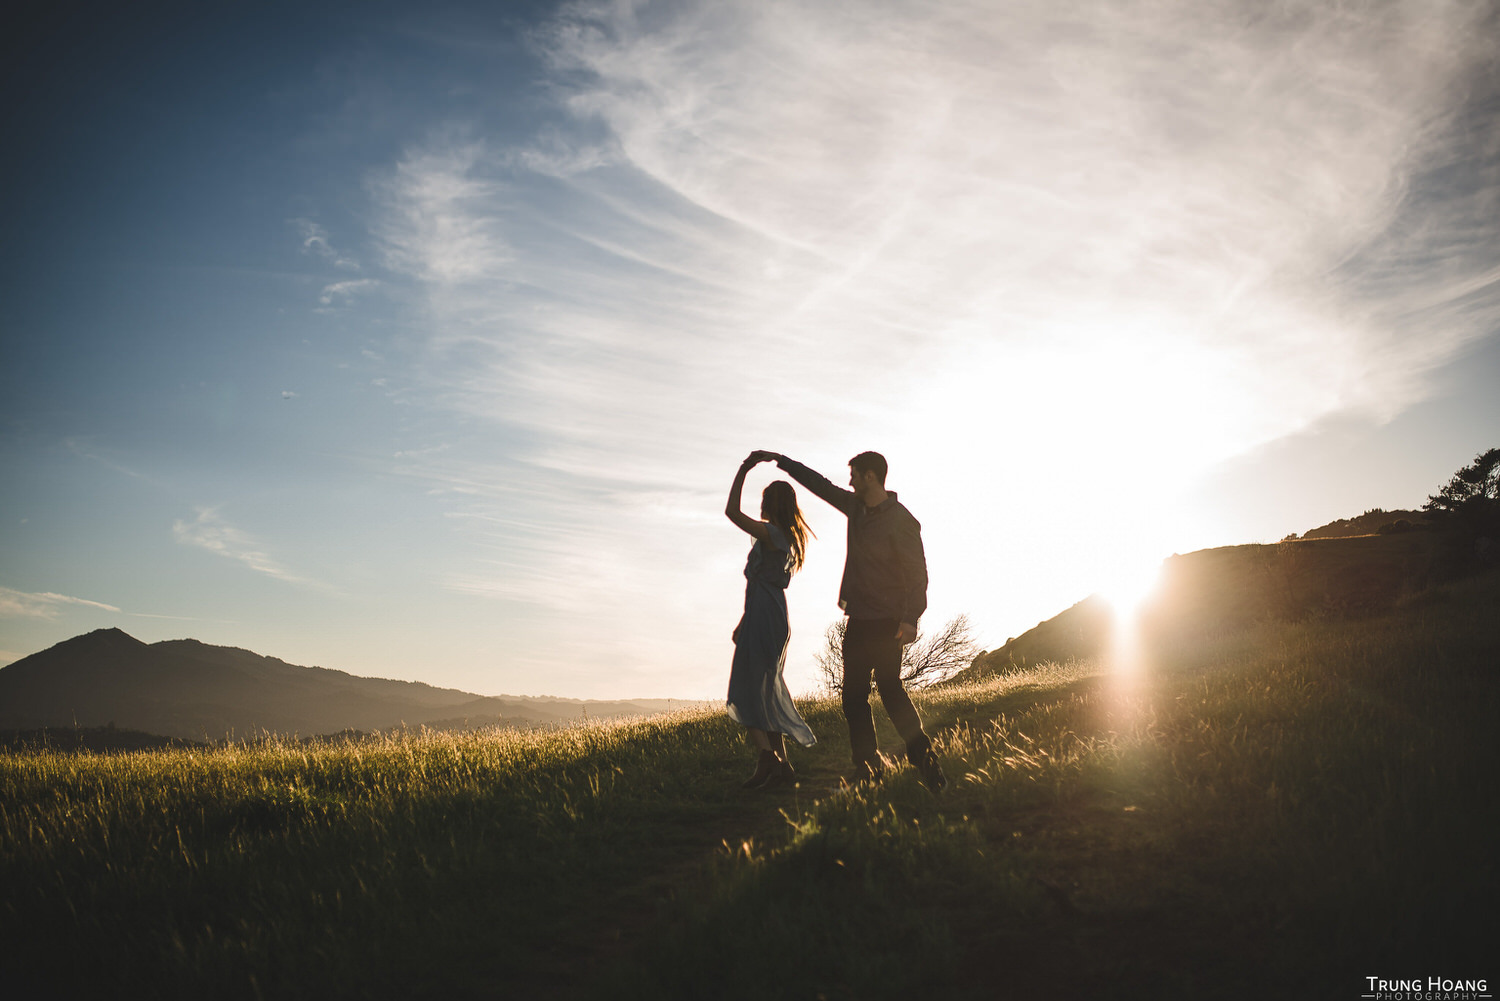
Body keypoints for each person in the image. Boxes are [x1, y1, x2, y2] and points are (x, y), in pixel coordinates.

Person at [748, 449, 947, 791]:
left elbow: (918, 574)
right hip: (858, 618)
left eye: (854, 474)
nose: (850, 481)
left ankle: (925, 761)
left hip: (889, 621)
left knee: (890, 689)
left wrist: (911, 618)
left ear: (870, 476)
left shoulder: (901, 519)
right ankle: (868, 768)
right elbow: (820, 486)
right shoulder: (855, 508)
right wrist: (780, 460)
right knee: (853, 697)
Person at [724, 452, 817, 789]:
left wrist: (743, 469)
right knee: (764, 691)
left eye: (763, 500)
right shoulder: (780, 536)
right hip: (767, 614)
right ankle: (783, 769)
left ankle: (768, 758)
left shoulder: (774, 534)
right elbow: (759, 585)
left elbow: (731, 512)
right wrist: (743, 621)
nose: (759, 506)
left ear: (771, 504)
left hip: (766, 615)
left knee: (744, 689)